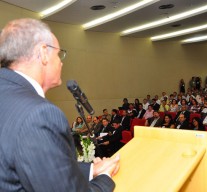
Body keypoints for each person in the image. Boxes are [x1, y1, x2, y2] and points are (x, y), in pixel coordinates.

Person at [0, 18, 119, 191]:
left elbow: (40, 165)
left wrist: (91, 169)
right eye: (58, 54)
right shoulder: (40, 114)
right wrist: (104, 178)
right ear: (43, 53)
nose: (61, 62)